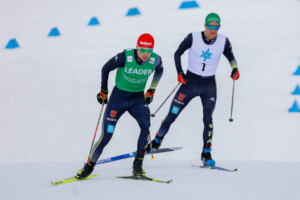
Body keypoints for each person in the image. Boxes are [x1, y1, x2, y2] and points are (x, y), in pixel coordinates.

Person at [146, 13, 240, 166]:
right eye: (210, 26)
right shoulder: (193, 37)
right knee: (172, 114)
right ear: (205, 26)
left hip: (208, 85)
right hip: (189, 83)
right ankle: (157, 141)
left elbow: (231, 57)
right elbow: (177, 53)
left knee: (208, 119)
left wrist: (235, 69)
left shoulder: (223, 41)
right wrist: (180, 73)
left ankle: (206, 153)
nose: (213, 30)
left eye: (216, 27)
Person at [75, 33, 164, 179]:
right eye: (142, 50)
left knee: (146, 125)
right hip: (118, 98)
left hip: (137, 99)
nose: (146, 54)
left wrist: (151, 90)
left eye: (149, 50)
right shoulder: (125, 57)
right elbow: (105, 68)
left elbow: (160, 71)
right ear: (137, 47)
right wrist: (104, 91)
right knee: (106, 136)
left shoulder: (156, 59)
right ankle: (89, 166)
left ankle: (138, 164)